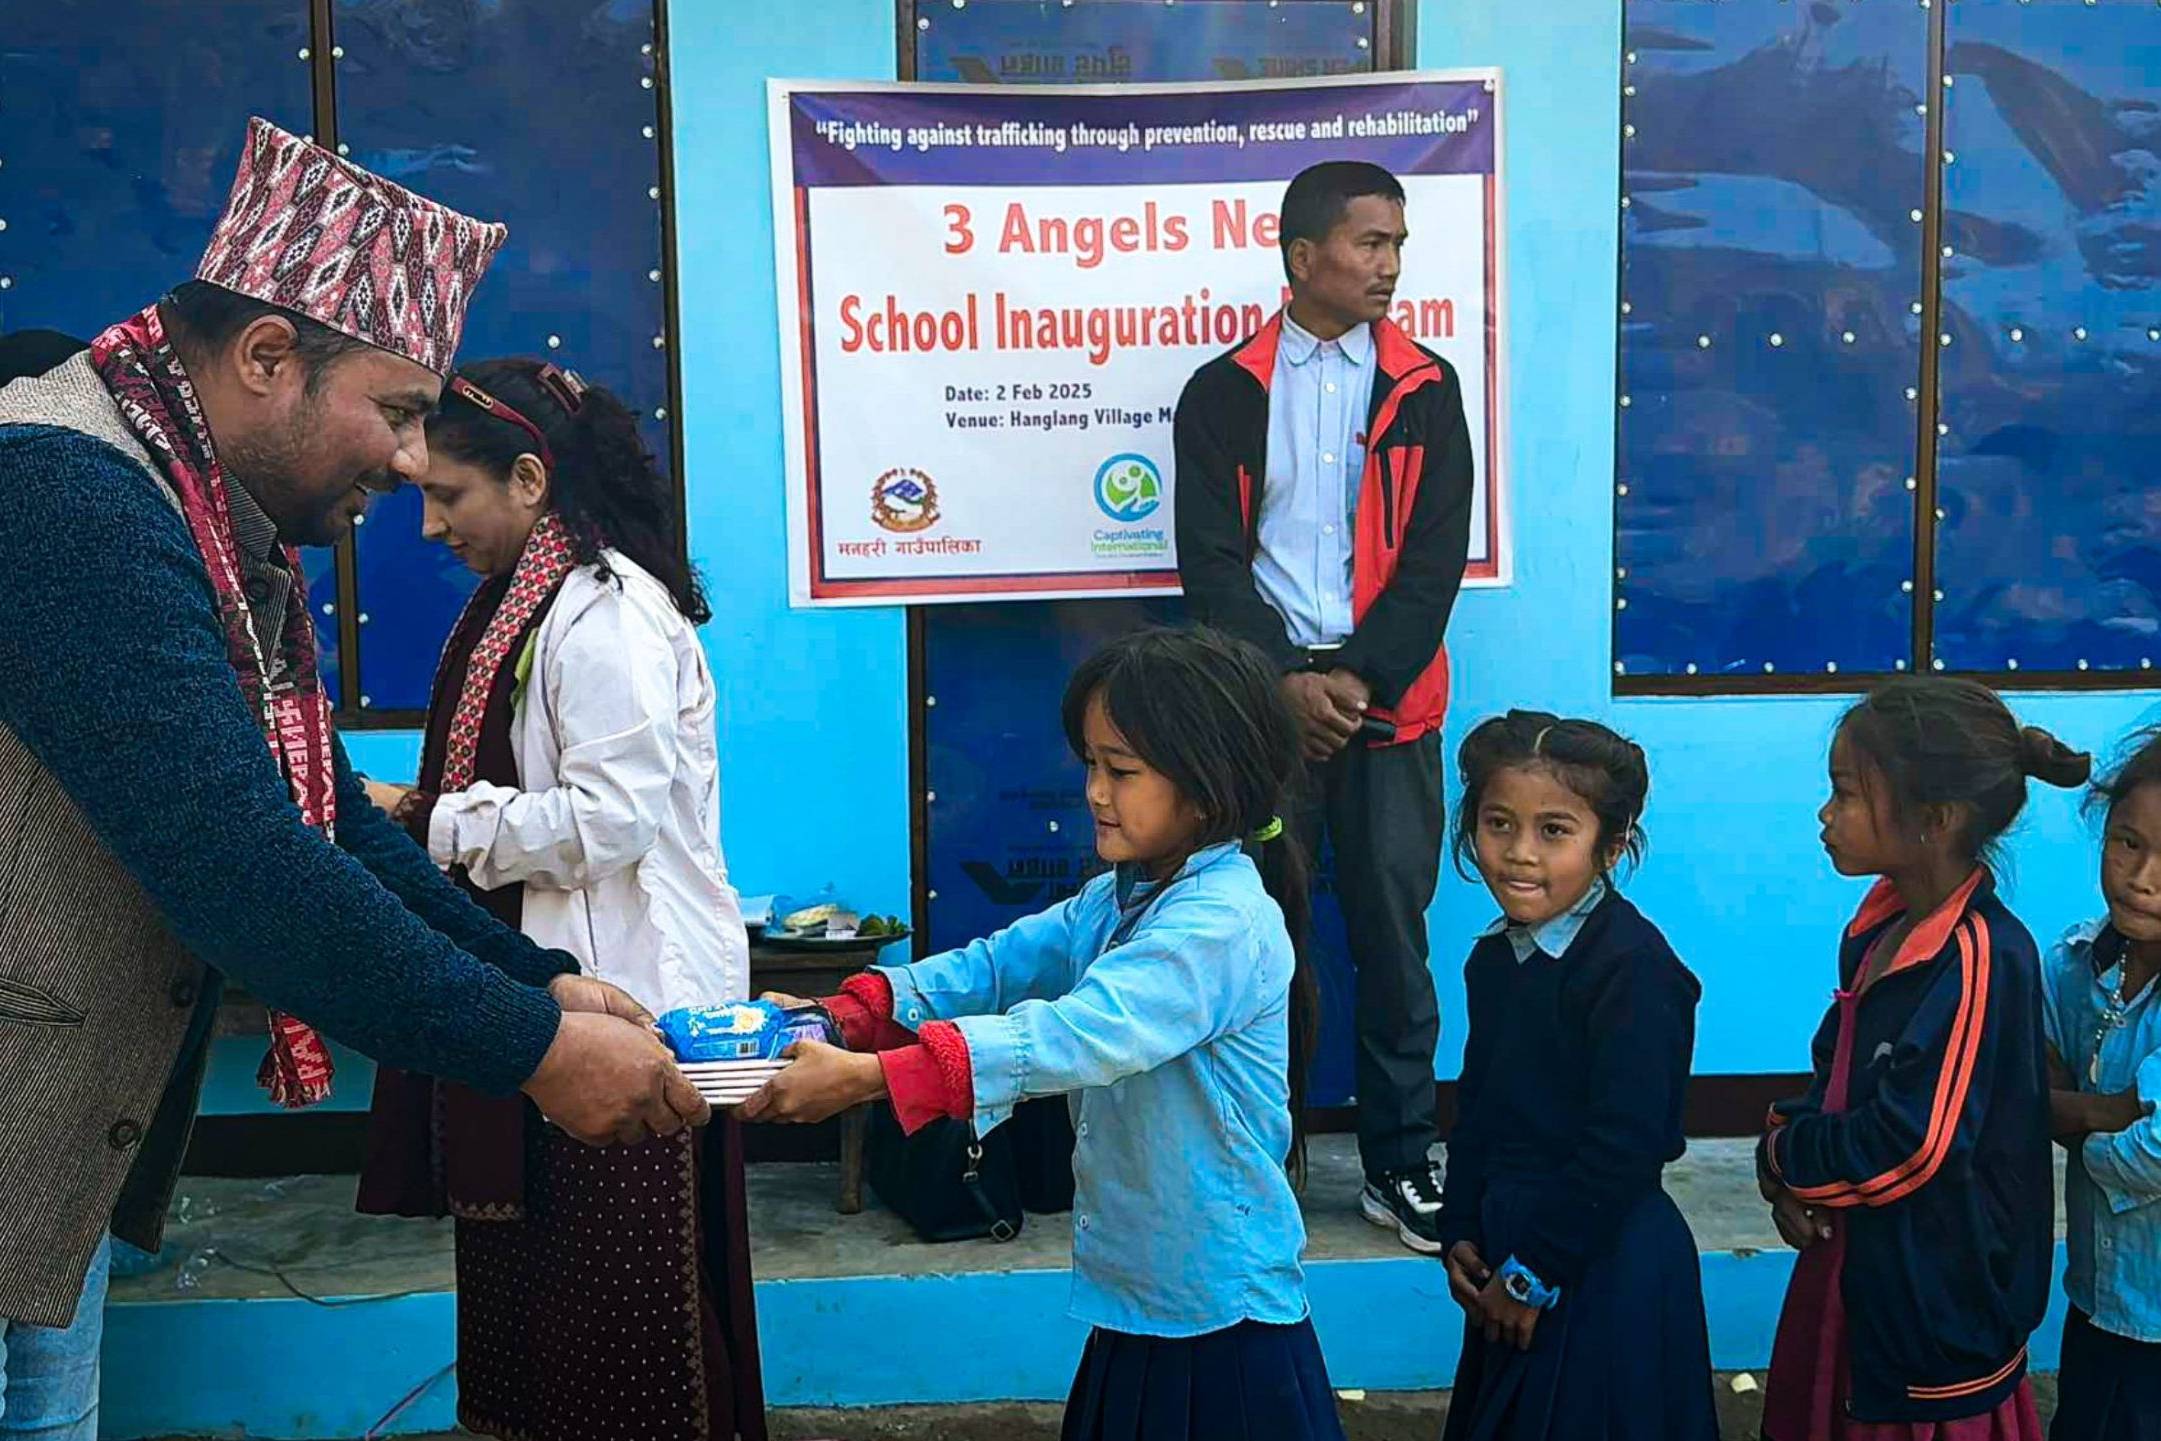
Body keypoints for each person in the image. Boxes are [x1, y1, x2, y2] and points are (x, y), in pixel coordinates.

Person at [0, 118, 702, 1439]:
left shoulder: (193, 511)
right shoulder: (72, 497)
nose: (407, 460)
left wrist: (536, 984)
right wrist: (538, 1050)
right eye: (394, 409)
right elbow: (240, 865)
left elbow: (313, 818)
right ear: (268, 356)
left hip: (40, 1143)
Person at [743, 626, 1346, 1441]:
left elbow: (1070, 1036)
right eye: (1092, 763)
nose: (1095, 791)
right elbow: (995, 966)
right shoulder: (1121, 897)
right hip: (1146, 1295)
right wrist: (842, 1013)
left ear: (1208, 788)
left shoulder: (1219, 923)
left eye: (1122, 770)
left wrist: (866, 1076)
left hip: (1219, 1319)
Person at [355, 357, 764, 1441]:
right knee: (545, 1328)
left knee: (629, 1340)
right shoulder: (522, 608)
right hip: (551, 1003)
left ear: (530, 479)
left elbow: (606, 822)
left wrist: (423, 817)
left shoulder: (606, 613)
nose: (433, 526)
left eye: (449, 495)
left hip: (628, 1011)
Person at [1173, 159, 1474, 1253]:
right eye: (1368, 244)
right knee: (1260, 938)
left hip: (1385, 709)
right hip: (1261, 712)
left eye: (1397, 244)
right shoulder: (1220, 392)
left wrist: (1353, 680)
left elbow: (1434, 564)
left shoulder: (1429, 389)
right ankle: (1261, 1155)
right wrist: (1283, 684)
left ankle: (1399, 1160)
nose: (1389, 265)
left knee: (1394, 937)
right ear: (1303, 257)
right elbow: (1206, 565)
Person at [1757, 678, 2088, 1440]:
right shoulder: (1881, 929)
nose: (1824, 814)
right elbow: (1833, 1070)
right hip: (1858, 1267)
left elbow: (1913, 1144)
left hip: (1931, 1301)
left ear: (1931, 821)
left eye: (1844, 794)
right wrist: (1785, 1158)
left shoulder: (1977, 957)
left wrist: (1784, 1153)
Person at [1436, 712, 1717, 1441]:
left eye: (1553, 830)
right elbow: (1478, 1112)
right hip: (1508, 1255)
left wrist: (1534, 1269)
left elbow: (1624, 1144)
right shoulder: (1495, 959)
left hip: (1599, 1258)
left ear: (1611, 844)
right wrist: (1460, 1227)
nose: (1518, 854)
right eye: (1497, 823)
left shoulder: (1633, 969)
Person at [2040, 729, 2161, 1441]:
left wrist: (2074, 1131)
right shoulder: (2073, 964)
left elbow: (2152, 1147)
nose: (2142, 876)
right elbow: (2022, 1087)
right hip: (2093, 1296)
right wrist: (2103, 1110)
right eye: (2127, 843)